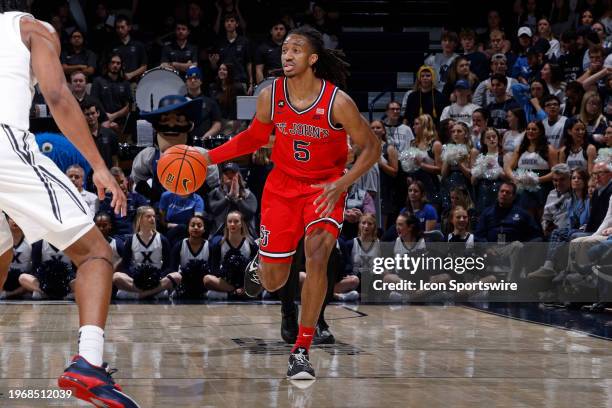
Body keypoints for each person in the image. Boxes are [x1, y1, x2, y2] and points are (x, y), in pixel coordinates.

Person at [202, 26, 379, 380]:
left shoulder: (338, 102)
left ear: (313, 58)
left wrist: (342, 182)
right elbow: (254, 137)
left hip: (324, 190)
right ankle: (262, 265)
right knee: (272, 280)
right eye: (284, 49)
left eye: (296, 49)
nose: (287, 55)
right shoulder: (272, 94)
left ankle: (301, 349)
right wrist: (208, 157)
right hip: (281, 188)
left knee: (317, 258)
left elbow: (371, 147)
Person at [112, 206, 173, 300]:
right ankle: (153, 293)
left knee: (176, 276)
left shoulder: (162, 239)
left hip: (157, 280)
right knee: (116, 276)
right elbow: (125, 266)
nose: (152, 219)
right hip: (137, 280)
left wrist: (158, 277)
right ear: (140, 219)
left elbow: (167, 265)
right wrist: (136, 278)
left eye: (153, 216)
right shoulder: (131, 240)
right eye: (148, 216)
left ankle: (138, 295)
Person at [205, 210, 257, 299]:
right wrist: (227, 271)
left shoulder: (251, 244)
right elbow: (214, 269)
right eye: (230, 221)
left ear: (241, 224)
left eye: (236, 221)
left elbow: (256, 268)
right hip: (226, 282)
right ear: (226, 224)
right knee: (207, 279)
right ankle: (235, 292)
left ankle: (230, 294)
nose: (232, 224)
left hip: (245, 282)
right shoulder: (219, 244)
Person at [207, 162, 257, 237]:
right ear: (222, 177)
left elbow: (250, 213)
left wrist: (237, 198)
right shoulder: (215, 193)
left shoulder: (248, 194)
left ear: (238, 176)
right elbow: (213, 210)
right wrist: (228, 197)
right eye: (226, 173)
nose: (229, 175)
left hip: (244, 233)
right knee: (214, 245)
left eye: (232, 173)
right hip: (220, 233)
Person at [168, 214, 209, 299]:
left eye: (199, 225)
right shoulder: (179, 245)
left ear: (204, 229)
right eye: (192, 225)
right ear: (188, 228)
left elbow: (213, 271)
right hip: (184, 283)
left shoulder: (210, 246)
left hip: (203, 284)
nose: (196, 228)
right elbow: (173, 269)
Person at [211, 13, 253, 92]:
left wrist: (251, 83)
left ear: (237, 24)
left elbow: (249, 63)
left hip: (240, 81)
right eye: (227, 21)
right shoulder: (219, 43)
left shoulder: (244, 41)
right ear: (224, 24)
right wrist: (213, 63)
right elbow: (214, 67)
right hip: (223, 83)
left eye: (232, 21)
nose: (229, 23)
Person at [184, 66, 223, 144]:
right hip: (184, 142)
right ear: (186, 82)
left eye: (196, 78)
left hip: (205, 143)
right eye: (189, 78)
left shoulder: (210, 102)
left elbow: (217, 123)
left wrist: (205, 137)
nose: (192, 80)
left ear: (201, 81)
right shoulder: (181, 102)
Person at [81, 99, 119, 169]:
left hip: (107, 176)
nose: (91, 117)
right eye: (87, 114)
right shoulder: (80, 137)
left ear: (98, 113)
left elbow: (115, 159)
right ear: (83, 116)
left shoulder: (110, 134)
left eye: (93, 113)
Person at [110, 15, 147, 83]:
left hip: (133, 82)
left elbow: (144, 67)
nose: (120, 30)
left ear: (129, 27)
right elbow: (106, 64)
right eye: (118, 27)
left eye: (122, 27)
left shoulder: (138, 45)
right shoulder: (112, 46)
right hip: (114, 83)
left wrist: (131, 75)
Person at [0, 217, 30, 299]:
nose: (14, 221)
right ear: (7, 221)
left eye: (16, 218)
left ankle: (8, 294)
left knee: (25, 278)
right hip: (5, 278)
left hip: (23, 278)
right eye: (11, 218)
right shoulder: (2, 240)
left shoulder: (30, 241)